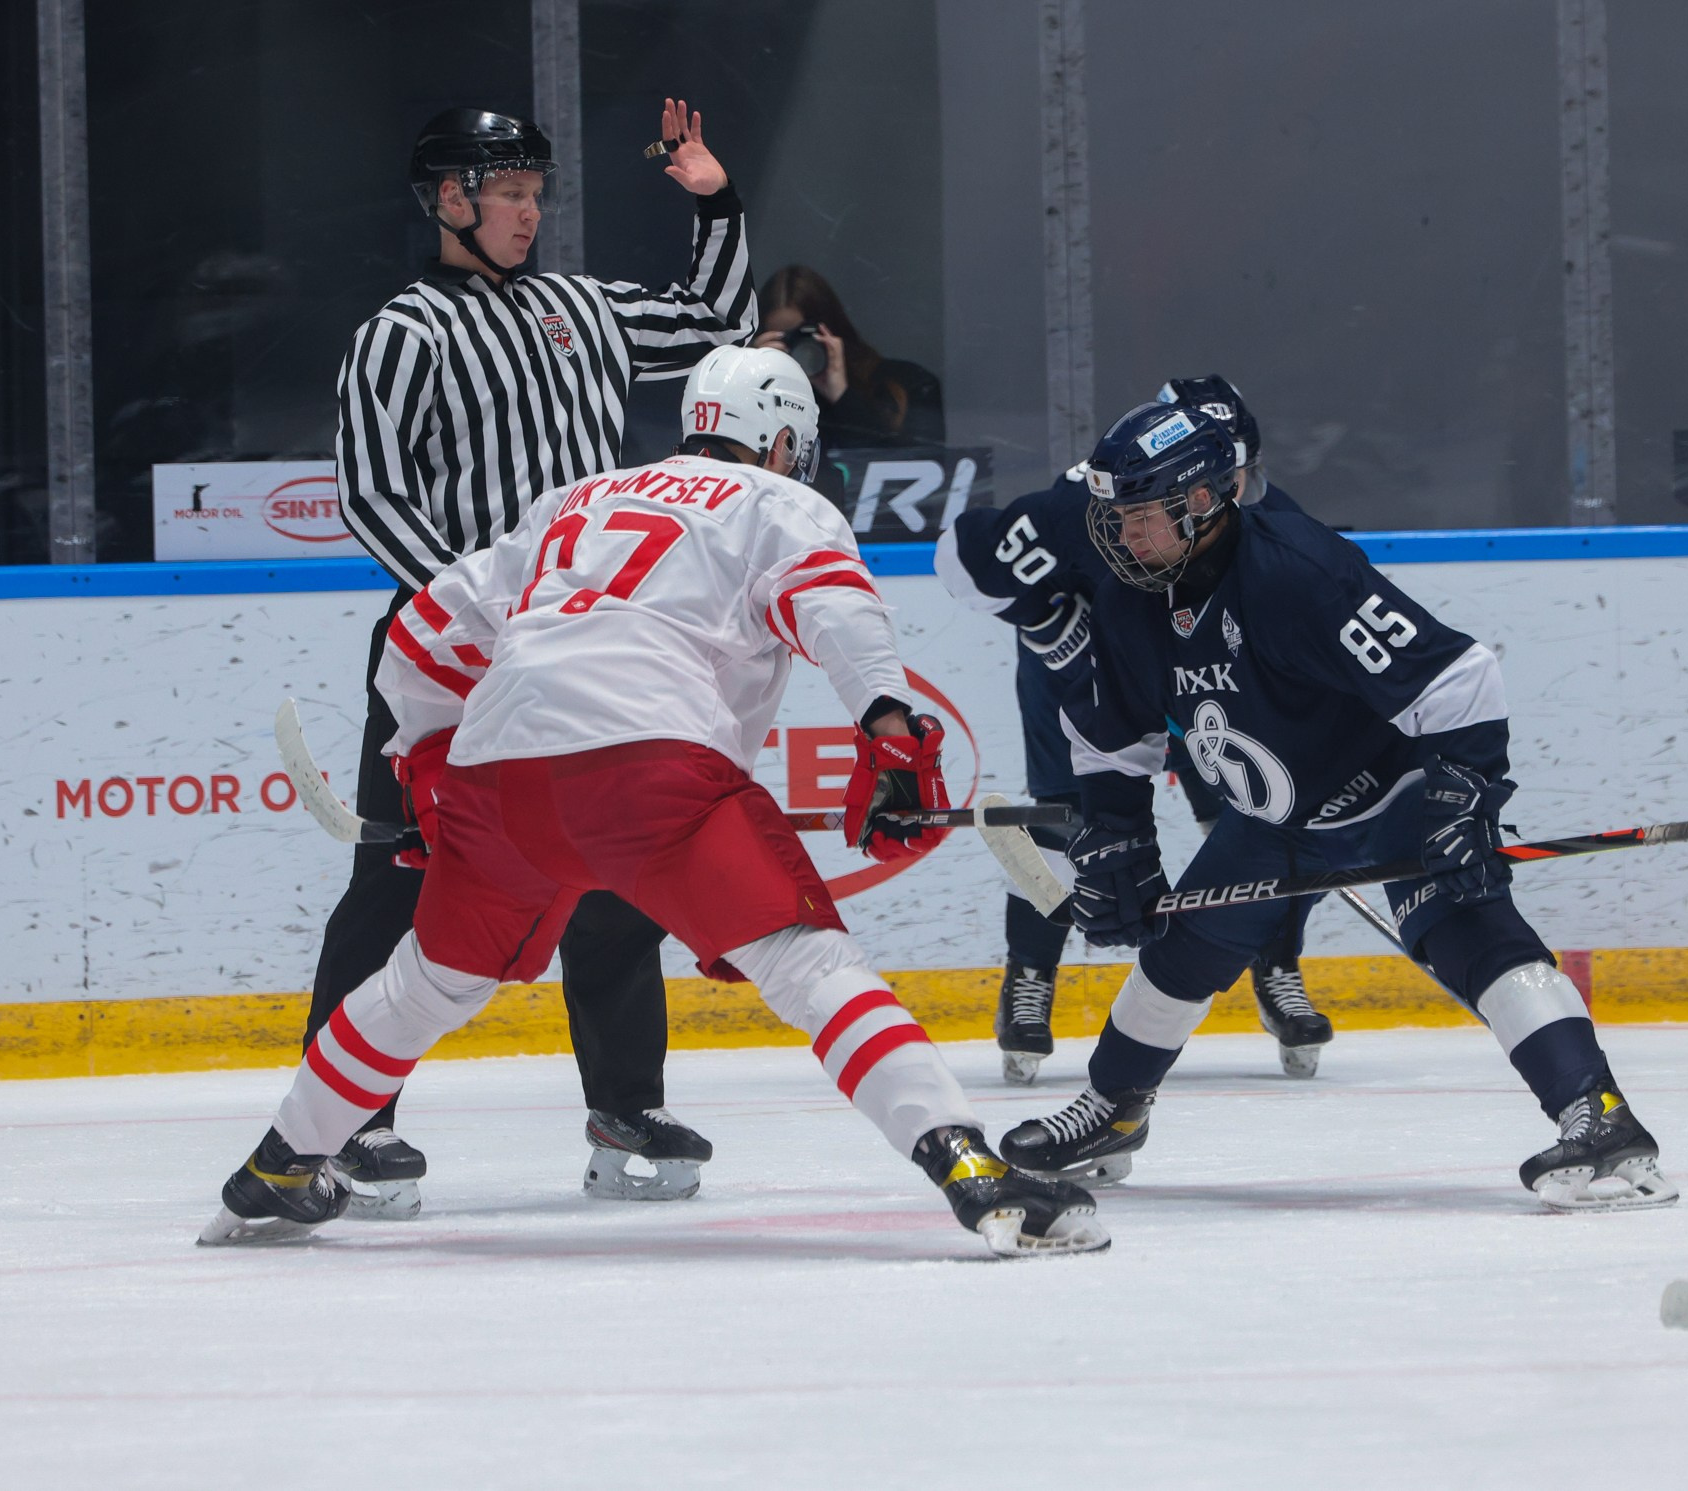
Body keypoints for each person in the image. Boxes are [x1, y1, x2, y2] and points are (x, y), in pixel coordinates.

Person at [203, 347, 1106, 1259]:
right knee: (809, 962)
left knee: (425, 981)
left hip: (499, 775)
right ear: (781, 441)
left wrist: (428, 766)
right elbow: (833, 605)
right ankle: (969, 1166)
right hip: (653, 767)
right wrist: (891, 729)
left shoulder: (578, 498)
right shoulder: (778, 501)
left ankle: (278, 1165)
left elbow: (424, 629)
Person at [994, 400, 1676, 1209]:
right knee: (1179, 953)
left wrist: (1464, 798)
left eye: (1140, 515)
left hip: (1391, 796)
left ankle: (1599, 1114)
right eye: (1115, 517)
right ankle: (1112, 1112)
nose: (1123, 535)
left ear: (1203, 500)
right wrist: (1118, 839)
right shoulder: (1127, 598)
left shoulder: (1298, 571)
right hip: (1273, 821)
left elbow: (1459, 678)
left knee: (1475, 937)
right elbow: (1111, 738)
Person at [318, 99, 755, 1216]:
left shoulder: (581, 307)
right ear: (449, 198)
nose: (529, 212)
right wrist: (472, 611)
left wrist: (714, 205)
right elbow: (372, 493)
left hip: (582, 646)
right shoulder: (403, 331)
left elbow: (720, 323)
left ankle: (626, 1106)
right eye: (508, 193)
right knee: (395, 879)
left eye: (535, 193)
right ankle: (345, 1119)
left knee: (617, 875)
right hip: (446, 651)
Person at [937, 376, 1335, 1084]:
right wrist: (1045, 623)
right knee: (1069, 830)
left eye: (1242, 477)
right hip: (1088, 692)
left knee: (1264, 822)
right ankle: (1030, 978)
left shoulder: (1271, 520)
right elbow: (961, 560)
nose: (1235, 497)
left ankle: (1277, 965)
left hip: (1202, 686)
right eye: (1218, 484)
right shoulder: (1083, 501)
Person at [751, 263, 945, 450]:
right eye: (783, 341)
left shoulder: (907, 386)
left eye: (803, 338)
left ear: (830, 331)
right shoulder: (760, 392)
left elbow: (911, 462)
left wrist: (841, 395)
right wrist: (755, 380)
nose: (796, 352)